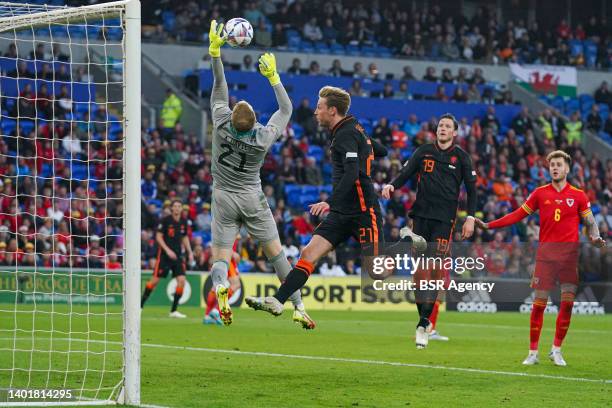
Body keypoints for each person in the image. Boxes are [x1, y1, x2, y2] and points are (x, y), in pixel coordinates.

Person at [207, 20, 314, 328]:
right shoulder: (263, 137)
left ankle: (220, 287)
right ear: (254, 121)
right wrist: (273, 78)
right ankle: (297, 305)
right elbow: (286, 110)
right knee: (276, 254)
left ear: (231, 115)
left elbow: (219, 88)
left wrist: (216, 52)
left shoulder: (221, 122)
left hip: (223, 196)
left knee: (220, 257)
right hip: (251, 197)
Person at [246, 86, 387, 316]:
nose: (315, 112)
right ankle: (278, 301)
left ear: (332, 110)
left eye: (319, 107)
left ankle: (409, 243)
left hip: (363, 211)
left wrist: (329, 201)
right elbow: (382, 150)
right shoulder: (352, 130)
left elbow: (352, 173)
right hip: (341, 214)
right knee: (308, 254)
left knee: (378, 271)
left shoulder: (346, 133)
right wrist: (367, 145)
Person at [476, 150, 605, 366]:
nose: (554, 167)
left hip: (569, 258)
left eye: (559, 164)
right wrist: (490, 225)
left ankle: (556, 350)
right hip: (546, 256)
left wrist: (595, 236)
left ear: (567, 169)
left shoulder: (579, 195)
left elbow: (590, 221)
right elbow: (517, 214)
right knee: (539, 305)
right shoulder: (539, 193)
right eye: (552, 164)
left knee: (567, 304)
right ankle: (533, 352)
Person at [382, 113, 477, 349]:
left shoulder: (462, 157)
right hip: (421, 218)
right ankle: (423, 321)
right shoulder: (423, 151)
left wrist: (471, 218)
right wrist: (392, 184)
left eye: (448, 126)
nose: (443, 128)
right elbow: (406, 172)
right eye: (440, 125)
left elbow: (473, 190)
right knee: (419, 275)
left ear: (455, 132)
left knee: (436, 271)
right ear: (437, 130)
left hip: (444, 220)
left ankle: (424, 323)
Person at [141, 200, 194, 318]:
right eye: (175, 206)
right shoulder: (165, 221)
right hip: (164, 256)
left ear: (181, 209)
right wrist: (167, 250)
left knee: (182, 281)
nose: (177, 208)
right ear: (171, 208)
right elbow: (158, 237)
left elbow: (184, 237)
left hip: (178, 256)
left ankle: (173, 311)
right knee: (154, 282)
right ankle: (140, 306)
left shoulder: (184, 222)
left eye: (179, 206)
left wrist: (190, 252)